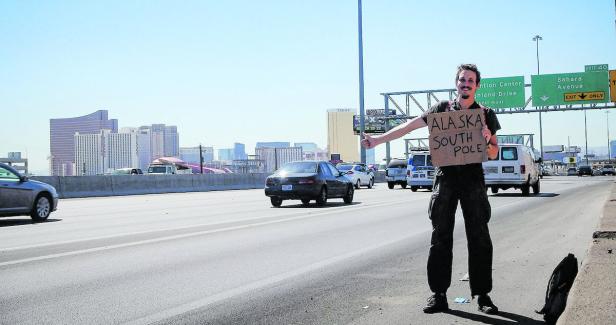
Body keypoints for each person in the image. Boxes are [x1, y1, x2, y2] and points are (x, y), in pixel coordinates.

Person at [361, 64, 501, 315]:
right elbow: (408, 127)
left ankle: (483, 295)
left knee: (479, 237)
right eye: (461, 80)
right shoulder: (441, 110)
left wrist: (488, 137)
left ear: (477, 85)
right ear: (456, 84)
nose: (465, 84)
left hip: (473, 182)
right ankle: (438, 294)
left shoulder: (486, 114)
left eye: (470, 80)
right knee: (440, 236)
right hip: (445, 179)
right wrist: (377, 140)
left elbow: (493, 152)